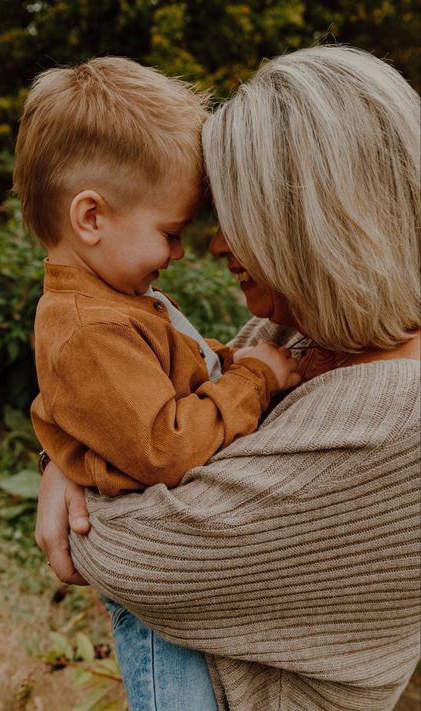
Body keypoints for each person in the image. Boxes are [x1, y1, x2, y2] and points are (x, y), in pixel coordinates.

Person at [35, 46, 421, 711]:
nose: (213, 246)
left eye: (238, 215)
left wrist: (78, 464)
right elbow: (167, 403)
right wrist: (67, 454)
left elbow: (137, 558)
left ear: (314, 221)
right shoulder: (300, 334)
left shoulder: (390, 419)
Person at [15, 56, 299, 710]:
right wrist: (257, 376)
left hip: (168, 565)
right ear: (91, 217)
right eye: (169, 232)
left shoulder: (118, 301)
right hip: (152, 591)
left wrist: (251, 368)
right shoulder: (90, 327)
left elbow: (186, 374)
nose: (176, 253)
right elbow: (165, 443)